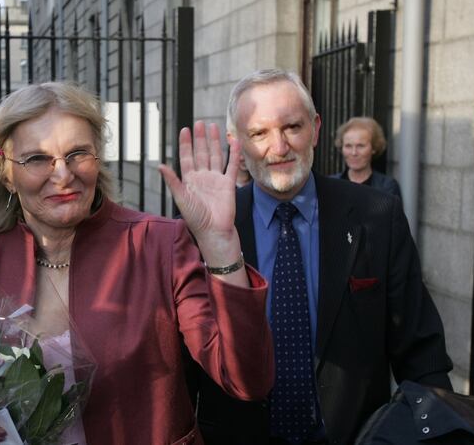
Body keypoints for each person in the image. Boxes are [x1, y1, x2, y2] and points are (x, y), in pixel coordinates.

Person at [0, 82, 274, 445]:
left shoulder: (159, 245)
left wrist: (221, 246)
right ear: (7, 173)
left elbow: (246, 379)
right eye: (37, 158)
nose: (63, 174)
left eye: (78, 153)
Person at [188, 69, 453, 445]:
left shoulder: (377, 216)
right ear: (236, 143)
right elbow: (181, 366)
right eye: (259, 133)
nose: (278, 148)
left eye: (292, 127)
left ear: (315, 127)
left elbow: (421, 351)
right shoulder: (204, 228)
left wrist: (436, 433)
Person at [332, 116, 401, 199]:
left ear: (374, 148)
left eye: (360, 146)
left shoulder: (387, 187)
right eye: (348, 146)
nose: (354, 153)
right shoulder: (332, 184)